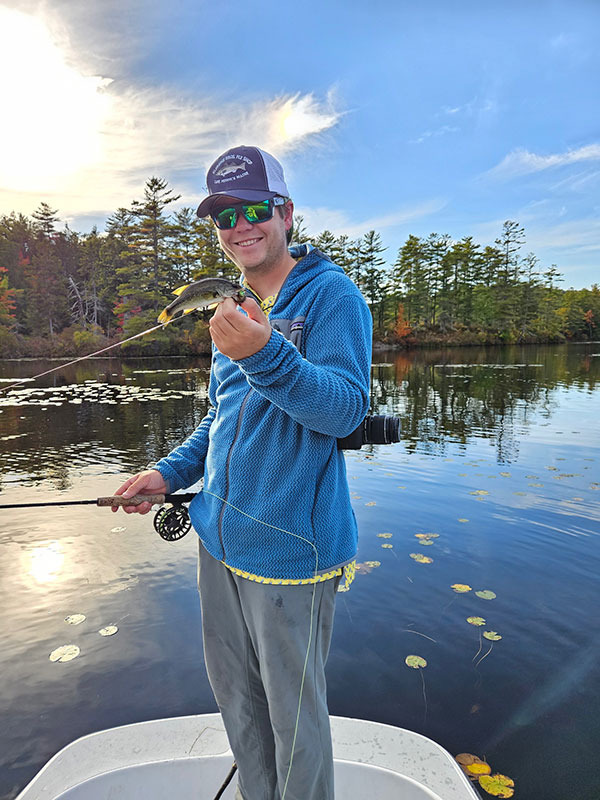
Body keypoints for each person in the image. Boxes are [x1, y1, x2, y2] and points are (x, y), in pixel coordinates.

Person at [112, 145, 372, 800]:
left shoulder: (332, 297)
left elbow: (344, 412)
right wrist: (167, 474)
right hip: (218, 545)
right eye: (224, 215)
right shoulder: (237, 302)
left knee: (295, 725)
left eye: (255, 208)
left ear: (286, 213)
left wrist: (264, 353)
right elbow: (221, 418)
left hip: (291, 554)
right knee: (239, 706)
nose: (240, 225)